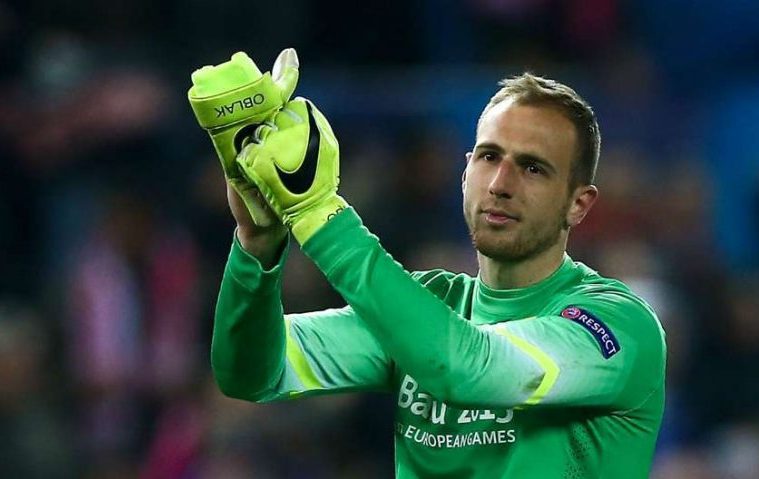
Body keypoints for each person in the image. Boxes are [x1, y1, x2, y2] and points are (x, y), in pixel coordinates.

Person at [203, 58, 666, 478]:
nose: (500, 183)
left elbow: (467, 369)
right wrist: (257, 243)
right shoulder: (428, 307)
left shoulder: (618, 326)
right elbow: (251, 373)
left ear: (578, 204)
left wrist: (318, 214)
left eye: (533, 168)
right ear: (466, 173)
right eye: (489, 157)